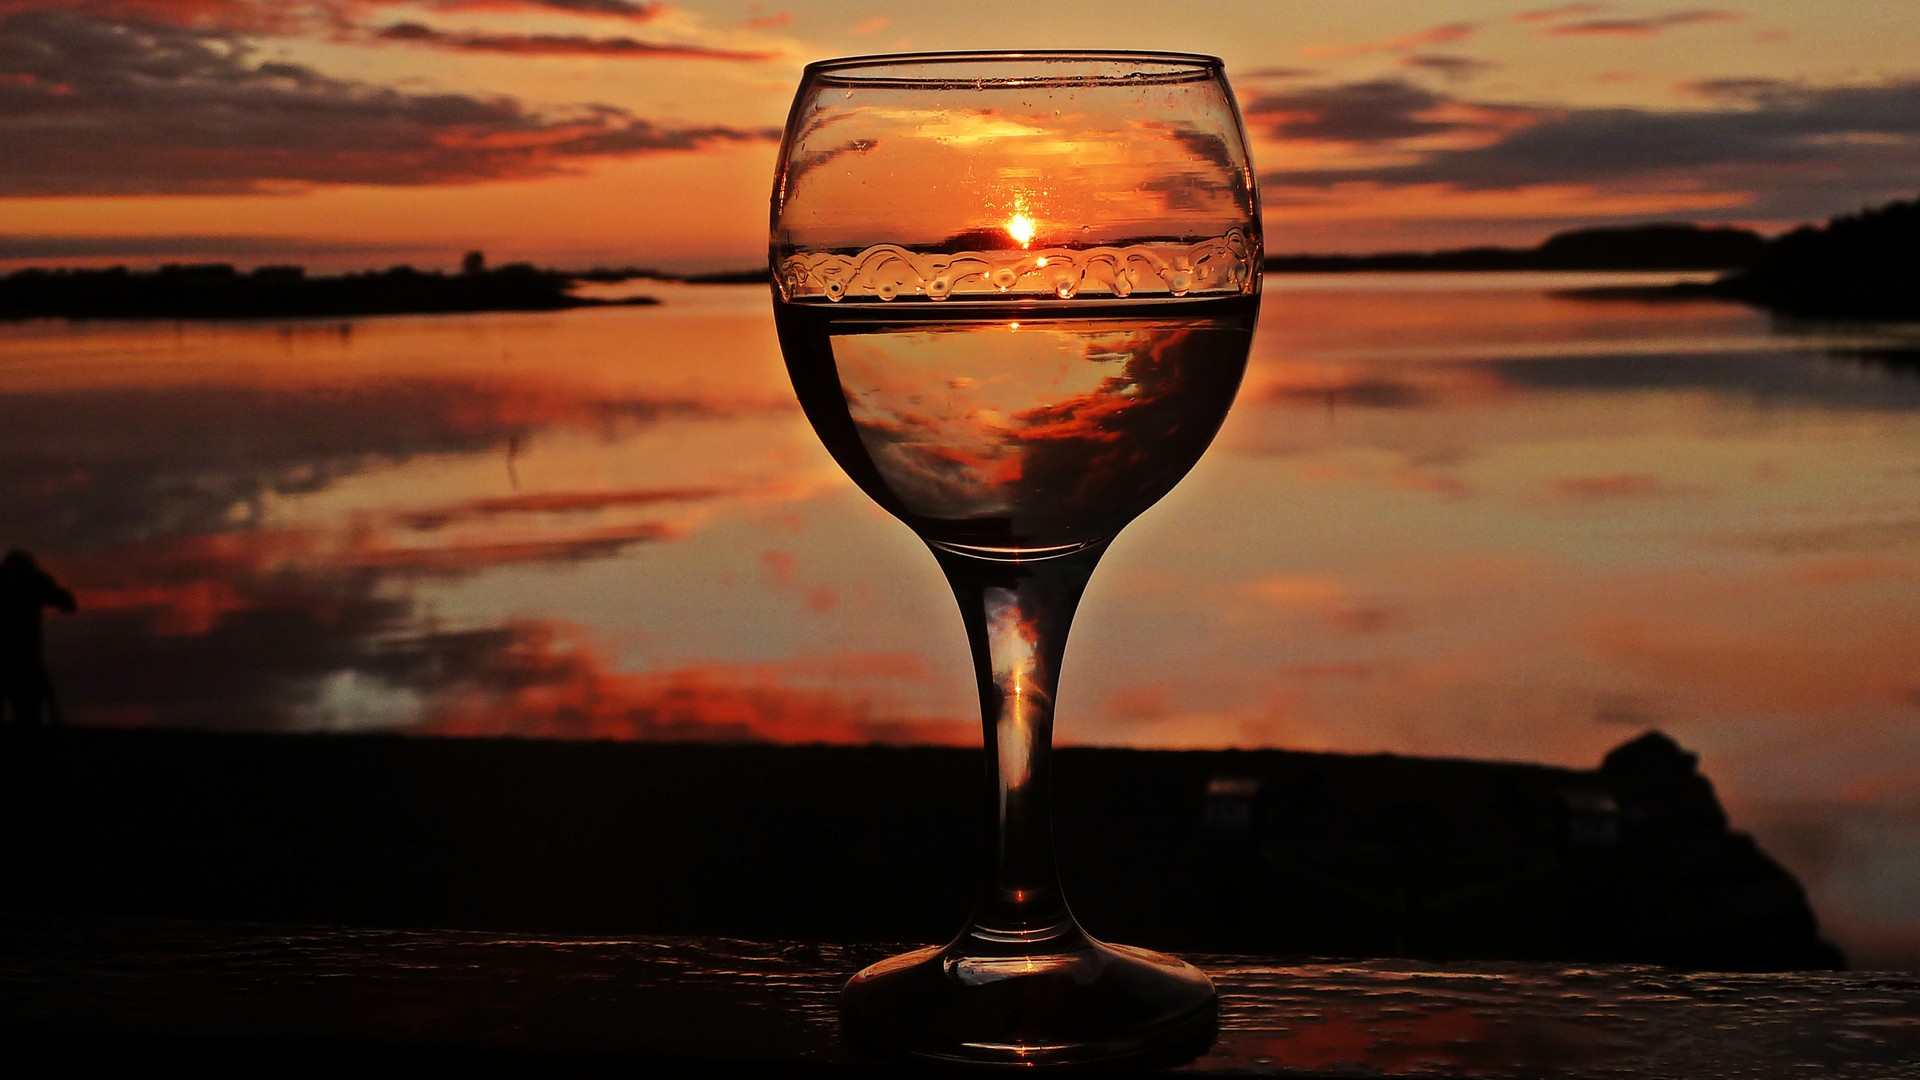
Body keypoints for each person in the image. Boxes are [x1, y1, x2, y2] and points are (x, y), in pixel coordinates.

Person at [0, 549, 77, 726]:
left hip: (8, 654)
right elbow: (67, 603)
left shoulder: (11, 579)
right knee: (28, 712)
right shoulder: (33, 580)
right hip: (26, 656)